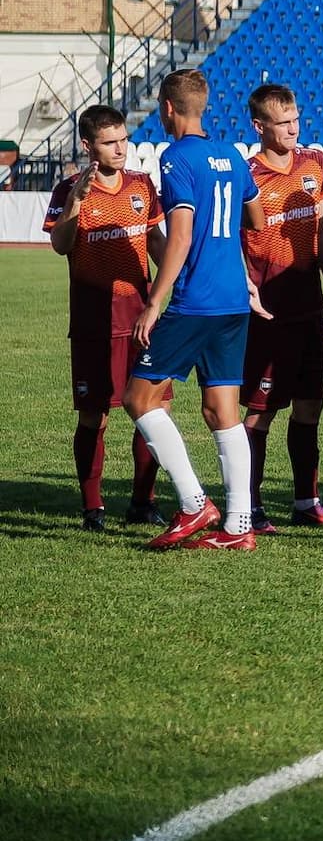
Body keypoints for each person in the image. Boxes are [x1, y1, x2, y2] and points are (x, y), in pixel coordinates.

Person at [123, 69, 269, 551]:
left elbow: (180, 235)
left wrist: (154, 300)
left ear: (167, 107)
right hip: (233, 301)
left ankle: (192, 504)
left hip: (197, 301)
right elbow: (257, 216)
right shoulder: (231, 155)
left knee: (139, 400)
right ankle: (238, 525)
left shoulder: (175, 158)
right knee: (222, 410)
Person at [42, 104, 165, 529]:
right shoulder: (67, 190)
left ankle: (142, 502)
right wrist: (76, 201)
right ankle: (92, 507)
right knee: (94, 415)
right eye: (110, 142)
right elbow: (60, 244)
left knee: (152, 409)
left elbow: (156, 241)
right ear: (87, 145)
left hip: (142, 319)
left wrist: (175, 280)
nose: (120, 149)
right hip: (94, 322)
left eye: (124, 140)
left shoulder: (142, 185)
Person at [240, 83, 323, 532]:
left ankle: (307, 502)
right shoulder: (246, 173)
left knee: (310, 408)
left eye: (296, 119)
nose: (292, 128)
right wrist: (244, 282)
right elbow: (230, 236)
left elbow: (320, 228)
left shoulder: (314, 162)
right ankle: (249, 504)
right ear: (259, 125)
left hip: (309, 303)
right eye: (282, 121)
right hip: (267, 311)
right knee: (260, 410)